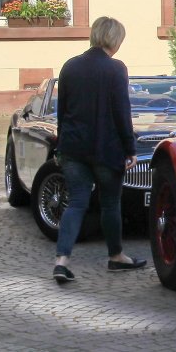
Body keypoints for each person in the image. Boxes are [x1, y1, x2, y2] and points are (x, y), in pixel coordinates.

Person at [51, 16, 145, 283]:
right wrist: (130, 148)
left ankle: (61, 261)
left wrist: (61, 146)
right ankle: (116, 256)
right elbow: (122, 112)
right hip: (106, 148)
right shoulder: (116, 69)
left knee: (76, 203)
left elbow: (62, 111)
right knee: (110, 204)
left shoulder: (70, 66)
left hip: (73, 148)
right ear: (114, 39)